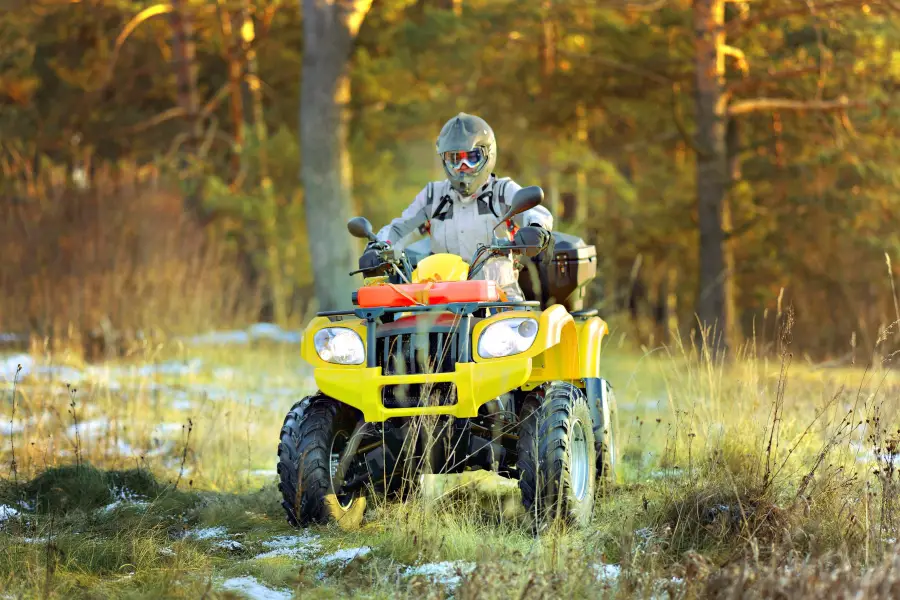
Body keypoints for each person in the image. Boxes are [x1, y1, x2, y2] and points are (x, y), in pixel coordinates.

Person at [360, 112, 553, 300]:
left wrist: (537, 229)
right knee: (398, 328)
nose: (463, 166)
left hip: (499, 298)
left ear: (488, 154)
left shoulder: (502, 191)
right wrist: (379, 247)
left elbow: (536, 214)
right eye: (455, 159)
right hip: (442, 301)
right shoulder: (432, 196)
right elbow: (400, 228)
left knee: (515, 329)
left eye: (472, 157)